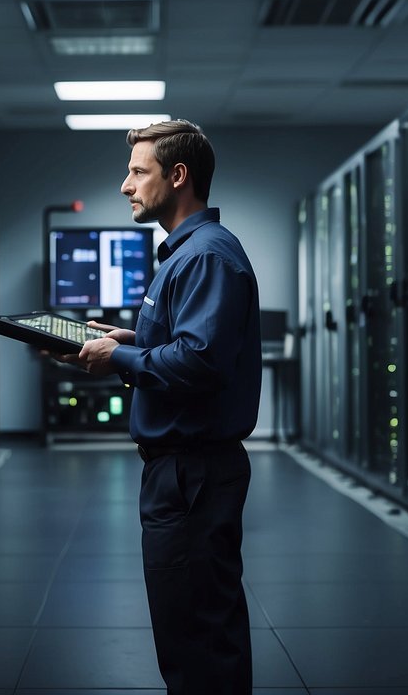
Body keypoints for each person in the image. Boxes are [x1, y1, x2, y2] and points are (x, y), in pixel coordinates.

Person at [59, 119, 262, 694]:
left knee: (197, 634)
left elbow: (198, 363)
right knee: (190, 627)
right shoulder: (185, 255)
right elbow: (185, 346)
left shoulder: (206, 257)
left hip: (193, 473)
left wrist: (115, 361)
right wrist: (127, 342)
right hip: (180, 471)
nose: (125, 185)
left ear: (178, 176)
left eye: (137, 172)